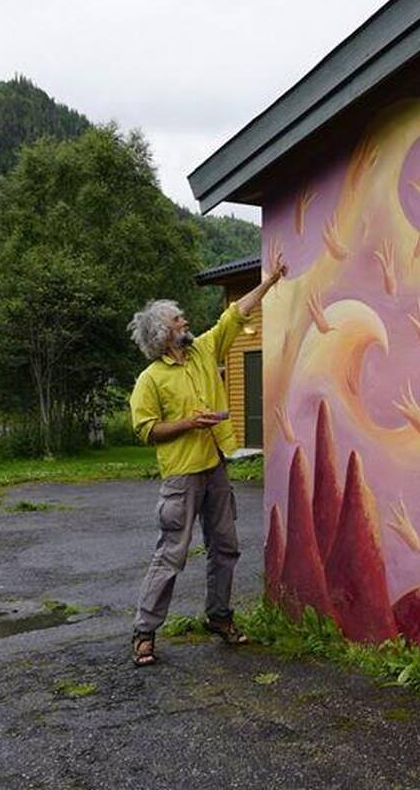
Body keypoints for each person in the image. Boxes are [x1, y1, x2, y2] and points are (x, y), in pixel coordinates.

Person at [125, 252, 286, 666]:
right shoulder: (150, 379)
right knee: (172, 553)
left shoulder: (203, 350)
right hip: (181, 476)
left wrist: (269, 282)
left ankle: (220, 617)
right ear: (164, 333)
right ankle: (144, 632)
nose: (185, 322)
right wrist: (188, 423)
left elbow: (235, 314)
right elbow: (145, 429)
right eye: (178, 319)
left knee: (225, 546)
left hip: (215, 466)